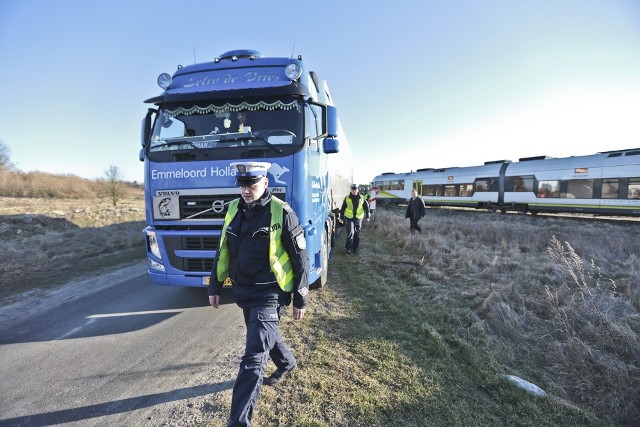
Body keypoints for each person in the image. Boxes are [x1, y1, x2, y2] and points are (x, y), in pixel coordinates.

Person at [208, 161, 309, 427]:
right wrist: (214, 287)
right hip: (244, 291)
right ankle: (287, 362)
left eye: (251, 185)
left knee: (253, 357)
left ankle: (238, 422)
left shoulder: (282, 212)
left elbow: (300, 258)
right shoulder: (232, 210)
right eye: (242, 185)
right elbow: (222, 250)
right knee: (263, 334)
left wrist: (301, 298)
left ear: (265, 182)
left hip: (270, 294)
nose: (246, 190)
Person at [340, 184, 370, 254]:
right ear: (351, 190)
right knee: (351, 232)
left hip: (358, 218)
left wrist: (368, 216)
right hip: (349, 218)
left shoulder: (362, 197)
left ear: (357, 190)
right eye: (352, 190)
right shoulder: (347, 198)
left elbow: (366, 207)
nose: (354, 191)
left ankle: (355, 248)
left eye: (355, 190)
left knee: (357, 233)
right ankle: (348, 248)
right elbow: (343, 208)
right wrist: (341, 218)